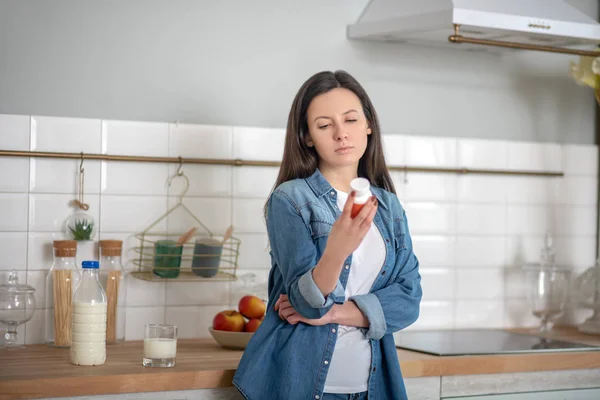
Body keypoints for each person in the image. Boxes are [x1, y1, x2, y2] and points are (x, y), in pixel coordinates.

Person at [232, 70, 422, 400]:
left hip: (372, 388)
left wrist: (335, 312)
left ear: (368, 125)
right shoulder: (290, 200)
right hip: (300, 387)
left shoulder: (389, 206)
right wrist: (337, 250)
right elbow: (305, 305)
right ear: (307, 137)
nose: (340, 134)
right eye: (324, 125)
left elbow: (408, 300)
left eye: (350, 120)